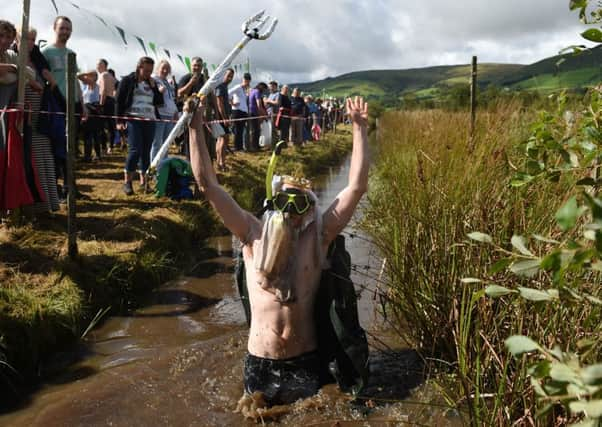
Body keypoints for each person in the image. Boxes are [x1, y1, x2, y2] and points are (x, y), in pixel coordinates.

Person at [188, 96, 370, 406]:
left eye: (300, 204)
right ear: (272, 204)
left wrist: (359, 128)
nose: (292, 212)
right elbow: (208, 185)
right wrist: (195, 126)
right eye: (285, 202)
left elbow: (356, 187)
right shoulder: (251, 234)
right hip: (260, 363)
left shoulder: (318, 238)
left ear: (310, 208)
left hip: (305, 361)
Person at [41, 15, 86, 199]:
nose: (65, 32)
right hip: (55, 103)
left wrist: (81, 103)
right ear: (55, 28)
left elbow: (74, 80)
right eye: (62, 28)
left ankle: (71, 187)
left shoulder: (71, 54)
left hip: (73, 104)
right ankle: (56, 188)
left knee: (71, 146)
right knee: (56, 146)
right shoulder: (46, 52)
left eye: (68, 29)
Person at [116, 56, 163, 195]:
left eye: (150, 70)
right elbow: (118, 101)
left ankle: (145, 183)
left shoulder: (152, 82)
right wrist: (119, 121)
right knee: (135, 150)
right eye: (146, 70)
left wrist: (155, 89)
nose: (148, 73)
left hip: (150, 120)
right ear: (139, 67)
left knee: (146, 151)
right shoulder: (128, 80)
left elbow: (159, 103)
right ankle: (128, 182)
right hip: (133, 119)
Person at [150, 59, 178, 164]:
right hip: (159, 115)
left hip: (170, 116)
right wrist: (158, 91)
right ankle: (153, 169)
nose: (165, 70)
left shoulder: (168, 83)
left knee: (166, 143)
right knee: (157, 143)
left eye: (167, 69)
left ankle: (163, 167)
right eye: (163, 68)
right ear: (158, 69)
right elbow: (151, 95)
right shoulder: (153, 79)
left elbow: (171, 99)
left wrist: (175, 112)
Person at [177, 57, 204, 159]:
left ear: (202, 67)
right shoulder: (186, 78)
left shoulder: (204, 78)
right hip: (186, 113)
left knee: (199, 139)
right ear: (191, 66)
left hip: (200, 112)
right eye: (194, 66)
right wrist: (191, 83)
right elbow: (179, 94)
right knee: (189, 139)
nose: (196, 68)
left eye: (199, 66)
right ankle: (189, 161)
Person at [78, 70, 103, 162]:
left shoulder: (95, 85)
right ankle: (87, 155)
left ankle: (98, 155)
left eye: (90, 76)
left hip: (94, 110)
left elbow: (80, 76)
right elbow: (78, 76)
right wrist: (87, 73)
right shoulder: (85, 87)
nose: (87, 78)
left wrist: (88, 74)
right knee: (87, 134)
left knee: (95, 134)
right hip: (86, 110)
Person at [213, 68, 234, 171]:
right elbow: (219, 103)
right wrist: (225, 118)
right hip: (221, 117)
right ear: (224, 75)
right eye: (228, 75)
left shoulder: (225, 87)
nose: (230, 78)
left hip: (224, 116)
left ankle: (219, 162)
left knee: (221, 139)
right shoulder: (220, 86)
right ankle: (221, 162)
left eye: (231, 76)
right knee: (224, 138)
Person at [96, 58, 117, 154]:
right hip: (112, 100)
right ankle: (110, 147)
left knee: (101, 125)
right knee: (111, 125)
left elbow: (103, 89)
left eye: (99, 64)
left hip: (104, 100)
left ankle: (104, 147)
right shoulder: (112, 77)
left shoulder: (103, 75)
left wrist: (101, 103)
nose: (97, 66)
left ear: (104, 65)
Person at [228, 72, 251, 151]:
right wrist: (232, 103)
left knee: (241, 130)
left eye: (248, 80)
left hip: (243, 112)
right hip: (237, 111)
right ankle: (237, 147)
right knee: (237, 130)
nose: (247, 81)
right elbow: (228, 93)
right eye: (245, 79)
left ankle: (239, 147)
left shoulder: (245, 90)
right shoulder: (238, 87)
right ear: (243, 79)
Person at [248, 82, 268, 152]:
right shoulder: (257, 92)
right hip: (254, 113)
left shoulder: (252, 91)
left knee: (256, 130)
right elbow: (259, 105)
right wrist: (264, 115)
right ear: (261, 87)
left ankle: (256, 145)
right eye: (264, 89)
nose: (264, 91)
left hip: (251, 112)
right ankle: (254, 147)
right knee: (255, 130)